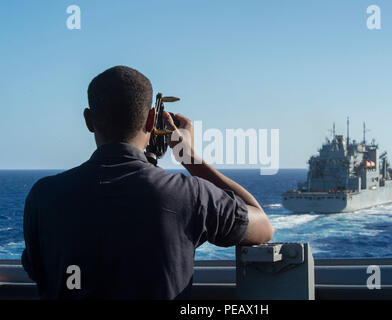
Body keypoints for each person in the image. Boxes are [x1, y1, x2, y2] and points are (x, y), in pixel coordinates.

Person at [21, 65, 273, 299]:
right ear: (152, 120)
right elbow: (263, 226)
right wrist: (188, 156)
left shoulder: (43, 196)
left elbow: (40, 271)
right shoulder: (191, 195)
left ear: (89, 120)